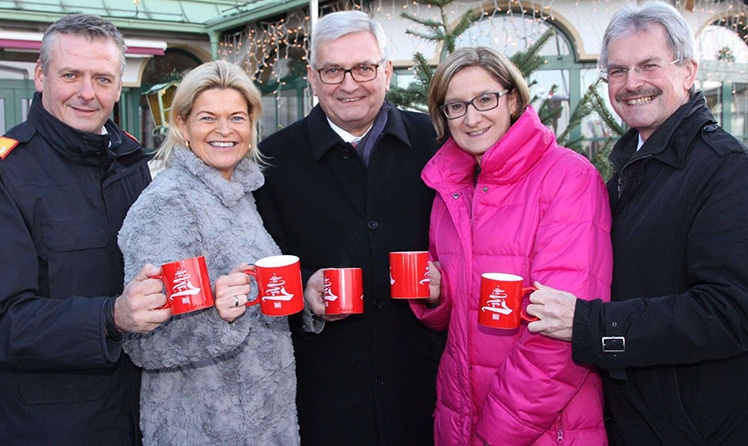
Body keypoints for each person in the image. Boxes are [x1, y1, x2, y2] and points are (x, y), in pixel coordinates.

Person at [526, 2, 748, 444]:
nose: (632, 84)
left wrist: (592, 324)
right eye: (617, 71)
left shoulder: (725, 169)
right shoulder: (632, 166)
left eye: (648, 65)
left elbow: (730, 313)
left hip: (693, 429)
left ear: (688, 72)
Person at [253, 10, 444, 446]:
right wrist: (302, 292)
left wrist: (444, 286)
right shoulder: (275, 160)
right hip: (325, 397)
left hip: (423, 390)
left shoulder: (435, 143)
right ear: (313, 77)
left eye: (363, 67)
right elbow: (260, 264)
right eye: (333, 70)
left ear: (387, 71)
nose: (349, 83)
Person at [410, 46, 612, 445]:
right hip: (461, 416)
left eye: (485, 99)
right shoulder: (451, 187)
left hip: (543, 427)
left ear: (513, 99)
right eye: (455, 106)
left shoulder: (567, 179)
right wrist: (441, 295)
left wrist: (493, 436)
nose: (471, 118)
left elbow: (559, 337)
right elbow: (470, 309)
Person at [0, 14, 169, 445]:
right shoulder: (9, 173)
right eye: (71, 75)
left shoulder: (137, 164)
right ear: (41, 76)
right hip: (52, 427)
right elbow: (7, 322)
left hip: (144, 416)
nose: (87, 93)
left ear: (118, 86)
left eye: (102, 78)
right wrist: (111, 317)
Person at [118, 60, 299, 446]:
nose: (223, 130)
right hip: (205, 429)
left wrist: (307, 298)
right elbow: (147, 342)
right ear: (182, 125)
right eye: (207, 117)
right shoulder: (168, 205)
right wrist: (218, 316)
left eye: (236, 116)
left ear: (251, 126)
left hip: (267, 421)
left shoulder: (242, 195)